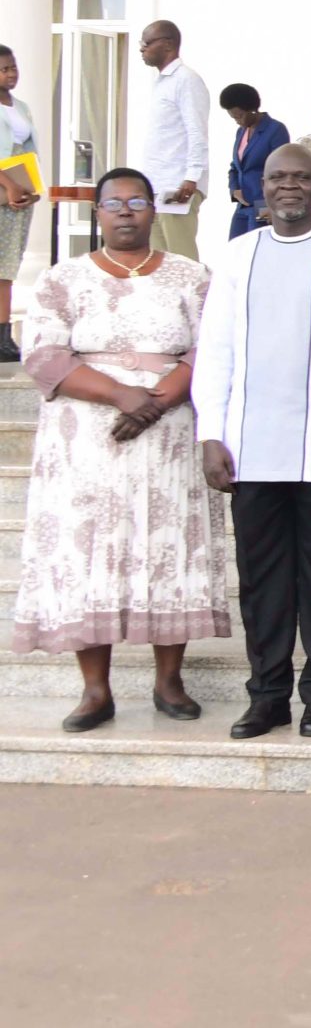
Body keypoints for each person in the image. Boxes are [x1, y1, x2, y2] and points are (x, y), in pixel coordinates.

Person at [10, 169, 223, 730]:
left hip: (169, 433)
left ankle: (169, 682)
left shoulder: (192, 276)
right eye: (113, 203)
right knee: (89, 556)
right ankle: (95, 690)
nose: (125, 212)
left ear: (154, 211)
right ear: (98, 213)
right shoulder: (63, 279)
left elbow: (216, 349)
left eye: (136, 202)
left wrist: (155, 401)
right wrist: (122, 395)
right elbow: (43, 357)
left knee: (168, 547)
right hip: (87, 439)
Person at [193, 144, 311, 740]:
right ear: (261, 186)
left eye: (301, 178)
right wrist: (210, 432)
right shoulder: (236, 257)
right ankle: (267, 695)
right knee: (261, 584)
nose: (289, 187)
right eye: (277, 177)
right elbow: (216, 348)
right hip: (251, 450)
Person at [136, 20, 211, 260]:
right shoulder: (161, 82)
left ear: (167, 44)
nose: (141, 49)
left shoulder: (186, 79)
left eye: (146, 43)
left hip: (178, 186)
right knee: (158, 262)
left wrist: (191, 177)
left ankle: (193, 300)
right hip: (157, 187)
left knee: (182, 260)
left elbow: (196, 131)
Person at [0, 45, 37, 362]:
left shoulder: (21, 106)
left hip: (20, 190)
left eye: (13, 67)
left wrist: (30, 188)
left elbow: (27, 149)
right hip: (3, 187)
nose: (11, 74)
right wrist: (10, 186)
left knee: (8, 267)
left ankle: (4, 335)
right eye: (4, 69)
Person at [219, 83, 292, 239]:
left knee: (258, 246)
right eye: (232, 117)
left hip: (263, 203)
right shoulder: (241, 132)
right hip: (242, 205)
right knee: (235, 247)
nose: (236, 121)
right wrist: (234, 191)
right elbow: (235, 167)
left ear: (252, 109)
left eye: (239, 116)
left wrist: (268, 204)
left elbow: (281, 171)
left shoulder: (275, 130)